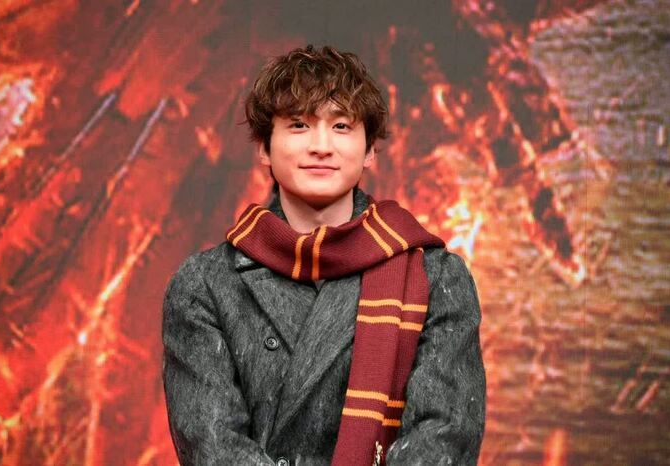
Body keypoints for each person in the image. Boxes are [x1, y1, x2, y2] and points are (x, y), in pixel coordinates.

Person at [162, 45, 486, 466]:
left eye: (341, 126)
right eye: (298, 125)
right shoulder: (204, 285)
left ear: (369, 150)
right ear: (264, 148)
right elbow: (211, 445)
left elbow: (446, 436)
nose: (321, 146)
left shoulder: (435, 277)